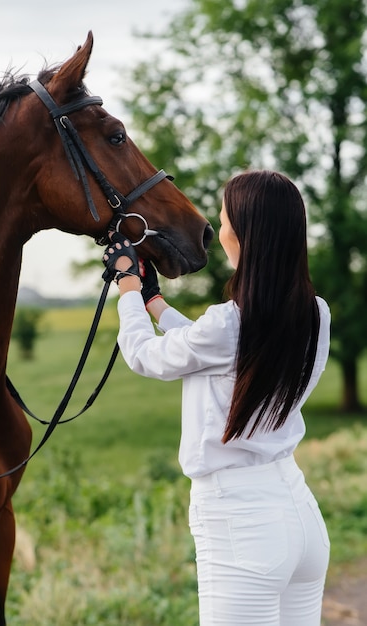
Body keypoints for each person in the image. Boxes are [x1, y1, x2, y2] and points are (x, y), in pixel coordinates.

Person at [102, 170, 331, 626]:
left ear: (244, 233)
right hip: (300, 516)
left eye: (225, 219)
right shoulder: (314, 312)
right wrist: (155, 304)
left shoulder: (228, 322)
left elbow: (146, 357)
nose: (219, 228)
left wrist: (127, 286)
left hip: (241, 523)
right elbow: (219, 351)